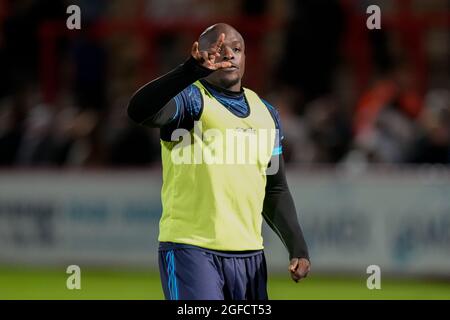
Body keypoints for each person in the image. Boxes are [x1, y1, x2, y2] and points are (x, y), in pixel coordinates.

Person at [127, 23, 310, 300]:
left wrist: (298, 247)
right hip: (191, 249)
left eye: (237, 49)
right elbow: (139, 111)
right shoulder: (190, 101)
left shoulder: (267, 113)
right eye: (219, 50)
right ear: (203, 55)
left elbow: (275, 188)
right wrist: (189, 71)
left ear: (246, 57)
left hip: (249, 256)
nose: (230, 55)